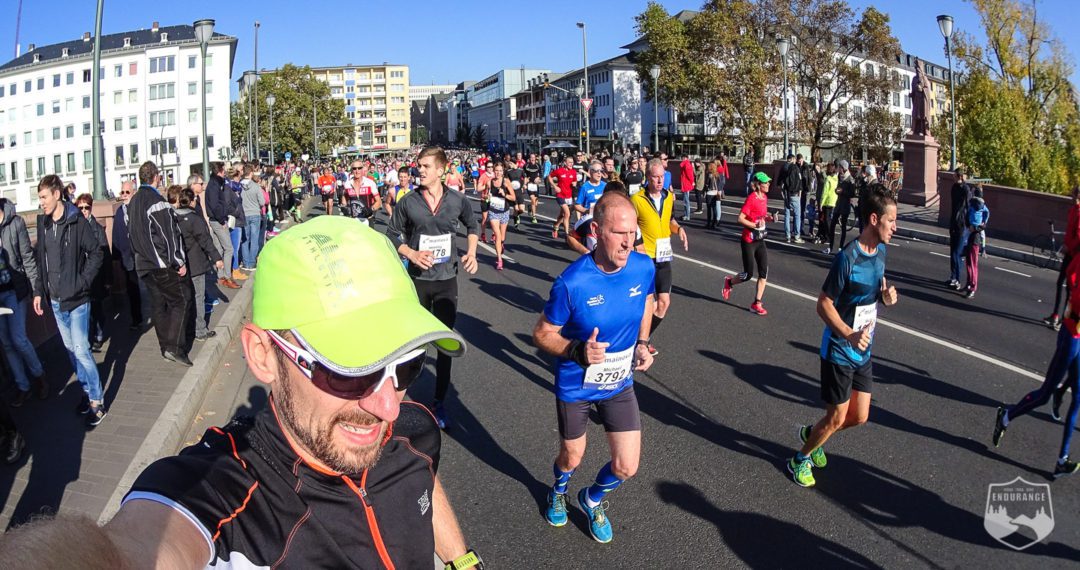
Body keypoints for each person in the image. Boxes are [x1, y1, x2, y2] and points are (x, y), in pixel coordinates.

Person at [0, 215, 483, 569]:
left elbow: (420, 475)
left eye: (406, 363)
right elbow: (134, 547)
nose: (387, 406)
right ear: (264, 356)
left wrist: (463, 562)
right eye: (350, 369)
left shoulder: (411, 424)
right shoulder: (222, 491)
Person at [533, 191, 655, 544]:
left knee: (627, 466)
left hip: (619, 383)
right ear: (598, 231)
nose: (628, 242)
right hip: (577, 385)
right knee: (572, 457)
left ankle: (592, 498)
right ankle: (559, 488)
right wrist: (576, 350)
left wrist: (643, 344)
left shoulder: (643, 266)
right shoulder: (572, 282)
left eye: (632, 233)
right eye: (619, 233)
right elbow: (542, 333)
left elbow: (646, 300)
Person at [788, 183, 899, 487]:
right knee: (836, 417)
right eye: (891, 220)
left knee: (860, 416)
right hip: (839, 348)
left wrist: (885, 295)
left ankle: (815, 433)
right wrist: (849, 334)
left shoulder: (882, 251)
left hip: (864, 348)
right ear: (874, 220)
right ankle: (799, 459)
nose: (895, 227)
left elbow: (875, 286)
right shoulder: (847, 258)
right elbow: (823, 304)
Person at [387, 146, 479, 430]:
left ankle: (439, 402)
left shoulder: (457, 200)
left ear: (441, 169)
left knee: (444, 345)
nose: (420, 170)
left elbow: (472, 226)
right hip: (418, 281)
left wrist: (472, 253)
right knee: (413, 345)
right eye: (419, 166)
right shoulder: (409, 202)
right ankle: (398, 402)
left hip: (446, 280)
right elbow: (391, 235)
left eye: (426, 166)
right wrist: (411, 254)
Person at [993, 253, 1080, 478]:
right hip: (1071, 336)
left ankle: (1062, 459)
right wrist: (1072, 303)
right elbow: (1072, 276)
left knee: (1078, 399)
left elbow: (1071, 275)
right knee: (1044, 395)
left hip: (1077, 335)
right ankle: (1006, 415)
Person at [32, 175, 106, 426]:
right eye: (39, 198)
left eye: (43, 197)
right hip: (55, 301)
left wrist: (82, 283)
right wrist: (39, 292)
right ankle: (87, 393)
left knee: (82, 351)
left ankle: (97, 401)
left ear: (56, 194)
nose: (40, 202)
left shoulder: (76, 221)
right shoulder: (43, 223)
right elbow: (41, 262)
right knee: (71, 353)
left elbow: (96, 252)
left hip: (77, 300)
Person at [128, 162, 195, 367]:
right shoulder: (157, 201)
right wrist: (178, 261)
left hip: (143, 263)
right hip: (160, 262)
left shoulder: (134, 202)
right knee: (181, 300)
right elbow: (168, 235)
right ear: (156, 177)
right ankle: (174, 347)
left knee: (158, 303)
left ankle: (164, 346)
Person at [631, 159, 689, 355]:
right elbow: (630, 228)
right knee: (645, 303)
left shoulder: (669, 196)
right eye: (655, 177)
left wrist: (679, 229)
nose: (659, 181)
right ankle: (639, 342)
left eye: (661, 177)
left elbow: (670, 220)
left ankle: (643, 339)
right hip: (644, 258)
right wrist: (637, 246)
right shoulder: (637, 199)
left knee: (663, 303)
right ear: (647, 177)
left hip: (664, 257)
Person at [0, 195, 47, 405]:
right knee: (7, 343)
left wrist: (36, 290)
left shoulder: (15, 223)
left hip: (15, 291)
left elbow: (28, 258)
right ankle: (22, 386)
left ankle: (39, 376)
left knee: (18, 338)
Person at [168, 186, 224, 342]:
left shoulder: (172, 217)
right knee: (198, 297)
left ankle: (186, 329)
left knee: (185, 299)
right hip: (196, 264)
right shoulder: (194, 219)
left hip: (178, 264)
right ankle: (200, 330)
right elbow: (205, 241)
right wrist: (217, 258)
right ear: (191, 202)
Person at [723, 172, 775, 315]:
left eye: (769, 182)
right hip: (749, 240)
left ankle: (756, 303)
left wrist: (770, 218)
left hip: (760, 240)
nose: (768, 184)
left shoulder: (764, 197)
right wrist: (753, 225)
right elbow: (740, 218)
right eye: (766, 182)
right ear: (758, 184)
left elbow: (761, 216)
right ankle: (729, 282)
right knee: (748, 274)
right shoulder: (751, 199)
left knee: (764, 272)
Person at [74, 194, 109, 353]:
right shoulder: (75, 228)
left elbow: (105, 254)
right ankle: (89, 337)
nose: (83, 211)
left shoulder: (96, 228)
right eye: (80, 208)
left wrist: (109, 279)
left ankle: (99, 336)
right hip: (82, 276)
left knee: (96, 308)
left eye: (86, 207)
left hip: (96, 275)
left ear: (91, 208)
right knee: (85, 309)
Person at [1043, 185, 1080, 330]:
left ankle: (1064, 319)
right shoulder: (1072, 211)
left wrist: (1068, 247)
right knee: (1060, 283)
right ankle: (1055, 315)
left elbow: (1078, 236)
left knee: (1070, 288)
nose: (1072, 197)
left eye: (1074, 195)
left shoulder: (1078, 212)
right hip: (1069, 253)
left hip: (1074, 255)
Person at [204, 163, 240, 288]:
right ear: (218, 171)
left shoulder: (215, 184)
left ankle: (220, 276)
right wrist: (221, 220)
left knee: (219, 248)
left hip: (215, 219)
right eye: (223, 170)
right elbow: (215, 205)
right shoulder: (214, 186)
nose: (225, 172)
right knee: (229, 248)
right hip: (218, 220)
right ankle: (227, 277)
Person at [485, 163, 516, 270]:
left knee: (502, 237)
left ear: (503, 172)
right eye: (496, 171)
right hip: (493, 211)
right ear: (494, 171)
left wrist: (504, 194)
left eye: (500, 171)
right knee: (497, 236)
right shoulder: (490, 182)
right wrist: (487, 197)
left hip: (504, 211)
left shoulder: (506, 182)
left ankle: (501, 244)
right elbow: (486, 195)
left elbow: (513, 197)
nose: (498, 173)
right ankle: (499, 259)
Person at [825, 160, 857, 255]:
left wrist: (842, 192)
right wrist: (837, 191)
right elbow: (838, 189)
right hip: (838, 204)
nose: (838, 169)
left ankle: (840, 247)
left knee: (843, 227)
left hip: (845, 205)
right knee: (832, 225)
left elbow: (852, 193)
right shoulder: (839, 177)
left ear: (843, 168)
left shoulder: (850, 179)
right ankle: (830, 246)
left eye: (840, 167)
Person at [963, 186, 989, 299]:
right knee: (971, 262)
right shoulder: (983, 207)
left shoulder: (971, 204)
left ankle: (971, 286)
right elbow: (984, 223)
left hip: (971, 235)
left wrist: (969, 226)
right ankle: (970, 285)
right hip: (976, 235)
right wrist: (979, 226)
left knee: (971, 263)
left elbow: (966, 216)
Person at [948, 168, 972, 290]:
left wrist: (967, 224)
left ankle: (957, 279)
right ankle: (953, 277)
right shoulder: (954, 188)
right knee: (953, 252)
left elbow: (967, 207)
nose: (953, 177)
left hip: (962, 226)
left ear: (960, 176)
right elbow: (954, 207)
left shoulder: (966, 190)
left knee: (957, 253)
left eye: (955, 175)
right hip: (954, 224)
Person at [240, 165, 266, 271]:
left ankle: (245, 262)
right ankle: (252, 262)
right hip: (255, 214)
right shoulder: (256, 187)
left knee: (245, 239)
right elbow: (262, 202)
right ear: (251, 173)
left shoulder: (239, 186)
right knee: (254, 239)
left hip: (244, 214)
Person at [549, 157, 578, 239]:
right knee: (567, 214)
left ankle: (556, 226)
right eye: (569, 162)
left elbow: (575, 180)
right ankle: (567, 234)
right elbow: (549, 177)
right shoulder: (559, 171)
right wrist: (554, 186)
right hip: (560, 195)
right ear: (565, 163)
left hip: (569, 196)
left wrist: (574, 184)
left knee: (562, 215)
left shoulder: (573, 172)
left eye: (572, 162)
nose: (571, 164)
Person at [780, 154, 804, 243]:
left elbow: (780, 182)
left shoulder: (784, 168)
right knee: (797, 215)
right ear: (793, 159)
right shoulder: (796, 168)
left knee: (787, 215)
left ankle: (788, 236)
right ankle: (797, 236)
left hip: (787, 194)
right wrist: (800, 194)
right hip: (795, 194)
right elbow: (800, 182)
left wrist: (782, 192)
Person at [817, 163, 838, 247]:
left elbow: (824, 192)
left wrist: (821, 203)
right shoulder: (836, 178)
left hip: (827, 201)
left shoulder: (828, 179)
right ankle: (829, 235)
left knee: (826, 220)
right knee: (829, 219)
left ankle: (829, 236)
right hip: (834, 200)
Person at [524, 153, 542, 223]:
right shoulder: (526, 165)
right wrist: (525, 183)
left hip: (536, 185)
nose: (532, 159)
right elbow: (523, 174)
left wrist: (538, 178)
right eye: (531, 157)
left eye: (533, 157)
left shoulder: (538, 165)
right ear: (529, 158)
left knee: (535, 203)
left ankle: (530, 207)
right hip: (529, 184)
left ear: (535, 158)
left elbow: (540, 173)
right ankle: (534, 217)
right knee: (533, 200)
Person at [678, 154, 694, 221]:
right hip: (686, 184)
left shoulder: (686, 164)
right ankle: (686, 215)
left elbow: (689, 175)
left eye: (682, 158)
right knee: (685, 201)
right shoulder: (686, 164)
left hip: (686, 184)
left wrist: (692, 182)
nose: (681, 159)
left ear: (685, 158)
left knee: (686, 201)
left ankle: (687, 215)